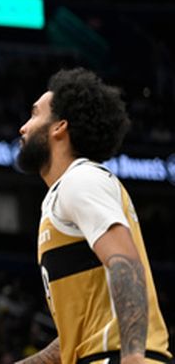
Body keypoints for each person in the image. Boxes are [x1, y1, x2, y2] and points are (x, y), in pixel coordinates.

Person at [15, 68, 171, 364]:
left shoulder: (81, 179)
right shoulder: (66, 192)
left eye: (34, 115)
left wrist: (133, 356)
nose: (23, 127)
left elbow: (125, 262)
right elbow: (74, 339)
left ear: (59, 127)